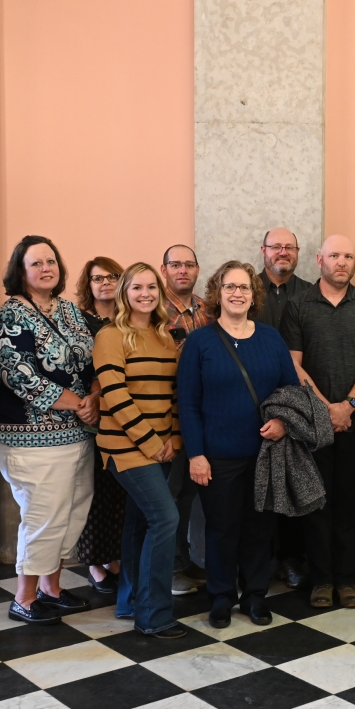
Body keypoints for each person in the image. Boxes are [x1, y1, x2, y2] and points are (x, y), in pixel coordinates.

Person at [0, 235, 99, 626]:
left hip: (78, 433)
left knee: (73, 511)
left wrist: (94, 397)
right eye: (36, 263)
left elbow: (95, 358)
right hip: (29, 437)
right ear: (21, 271)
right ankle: (24, 597)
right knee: (45, 515)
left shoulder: (69, 310)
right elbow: (17, 373)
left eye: (51, 261)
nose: (46, 268)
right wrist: (77, 403)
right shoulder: (13, 313)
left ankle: (52, 586)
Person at [179, 261, 299, 628]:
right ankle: (220, 597)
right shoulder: (200, 341)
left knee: (260, 528)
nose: (237, 293)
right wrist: (196, 454)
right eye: (230, 287)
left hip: (266, 454)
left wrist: (282, 421)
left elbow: (291, 391)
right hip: (217, 456)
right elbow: (187, 402)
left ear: (253, 294)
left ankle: (255, 597)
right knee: (221, 529)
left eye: (244, 287)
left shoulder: (271, 338)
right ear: (218, 293)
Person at [282, 235, 355, 609]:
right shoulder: (298, 305)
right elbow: (293, 364)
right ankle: (321, 580)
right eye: (334, 256)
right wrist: (327, 408)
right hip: (313, 424)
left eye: (348, 256)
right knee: (316, 505)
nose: (341, 262)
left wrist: (349, 405)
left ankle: (346, 580)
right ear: (319, 260)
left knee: (348, 505)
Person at [94, 263, 186, 639]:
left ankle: (130, 600)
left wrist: (174, 439)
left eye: (151, 287)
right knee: (166, 519)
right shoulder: (111, 336)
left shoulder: (167, 337)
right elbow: (115, 397)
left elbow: (175, 395)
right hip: (125, 449)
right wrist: (150, 442)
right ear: (124, 293)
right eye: (137, 287)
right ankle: (154, 614)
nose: (145, 293)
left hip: (162, 447)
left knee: (139, 522)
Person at [259, 227, 313, 589]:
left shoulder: (310, 294)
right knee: (259, 488)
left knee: (294, 483)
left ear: (298, 253)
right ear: (263, 250)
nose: (282, 252)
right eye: (275, 246)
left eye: (289, 247)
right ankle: (261, 560)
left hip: (295, 404)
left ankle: (294, 558)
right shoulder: (245, 291)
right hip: (253, 402)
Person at [73, 257, 126, 593]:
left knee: (116, 492)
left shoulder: (127, 320)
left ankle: (114, 556)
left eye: (112, 276)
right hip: (87, 416)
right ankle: (94, 563)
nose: (105, 283)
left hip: (120, 418)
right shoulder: (78, 321)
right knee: (90, 492)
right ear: (87, 284)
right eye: (97, 278)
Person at [160, 244, 209, 598]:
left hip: (201, 414)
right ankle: (170, 567)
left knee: (189, 492)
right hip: (165, 415)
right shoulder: (153, 309)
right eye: (175, 264)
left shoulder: (207, 311)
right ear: (164, 270)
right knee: (169, 495)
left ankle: (185, 557)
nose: (182, 270)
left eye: (189, 264)